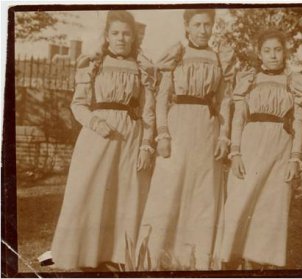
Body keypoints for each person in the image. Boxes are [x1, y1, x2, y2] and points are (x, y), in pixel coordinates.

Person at [43, 10, 155, 271]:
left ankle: (116, 255)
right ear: (106, 36)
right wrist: (96, 122)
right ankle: (80, 255)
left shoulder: (142, 68)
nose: (121, 38)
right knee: (89, 192)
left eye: (126, 34)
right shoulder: (93, 64)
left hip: (130, 135)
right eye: (115, 33)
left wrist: (147, 143)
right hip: (98, 135)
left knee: (125, 193)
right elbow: (78, 105)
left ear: (134, 37)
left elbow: (148, 110)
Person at [134, 9, 235, 271]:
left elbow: (224, 100)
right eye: (197, 24)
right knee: (168, 191)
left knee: (203, 196)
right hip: (177, 128)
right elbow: (161, 98)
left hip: (207, 130)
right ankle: (155, 259)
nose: (203, 30)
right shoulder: (177, 55)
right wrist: (163, 134)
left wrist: (224, 136)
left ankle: (196, 261)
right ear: (187, 27)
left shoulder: (219, 58)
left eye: (208, 25)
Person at [218, 29, 302, 269]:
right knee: (240, 202)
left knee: (270, 208)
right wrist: (235, 152)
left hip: (280, 148)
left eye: (277, 50)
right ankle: (231, 258)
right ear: (259, 54)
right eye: (267, 51)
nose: (273, 55)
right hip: (250, 147)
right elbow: (238, 119)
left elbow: (298, 122)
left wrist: (295, 158)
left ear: (285, 53)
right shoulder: (249, 80)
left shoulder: (293, 82)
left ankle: (258, 261)